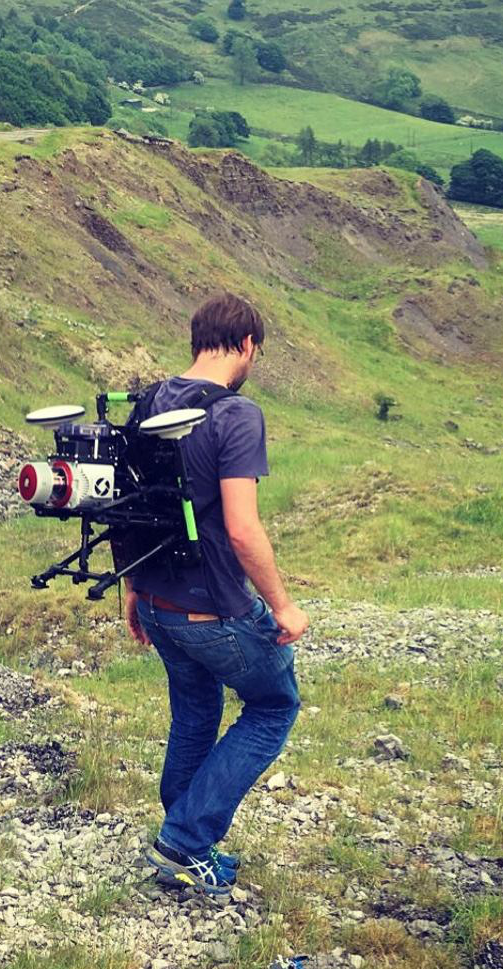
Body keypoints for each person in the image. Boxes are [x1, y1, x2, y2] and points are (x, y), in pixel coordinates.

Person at [125, 292, 307, 896]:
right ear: (247, 344)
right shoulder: (236, 415)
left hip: (157, 602)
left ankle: (180, 841)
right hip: (212, 611)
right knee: (275, 703)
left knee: (198, 711)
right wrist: (282, 605)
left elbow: (132, 507)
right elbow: (242, 527)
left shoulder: (148, 401)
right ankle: (185, 838)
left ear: (196, 337)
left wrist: (134, 589)